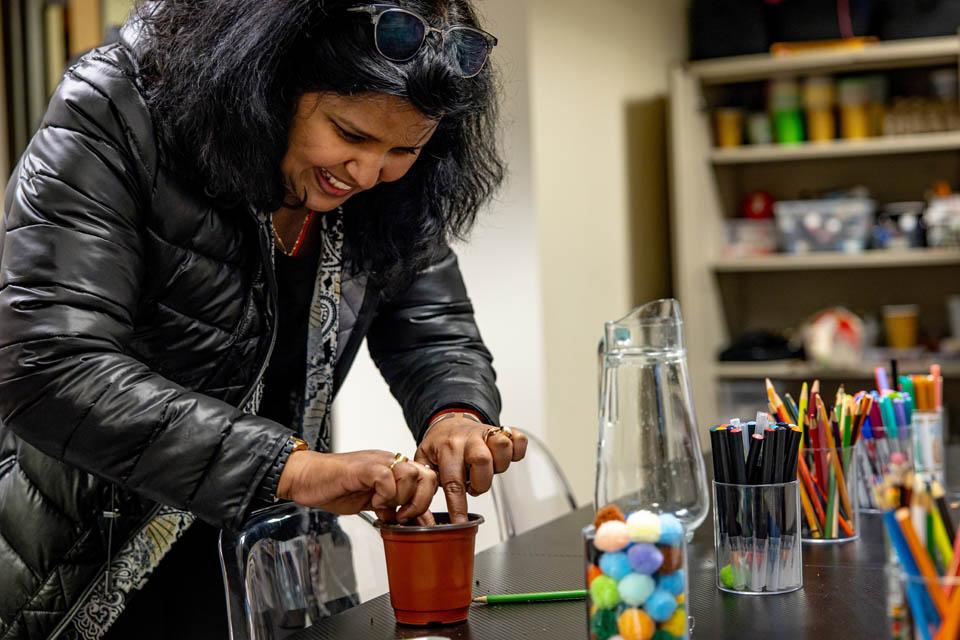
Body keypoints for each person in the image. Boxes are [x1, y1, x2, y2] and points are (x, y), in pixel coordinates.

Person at [0, 1, 527, 637]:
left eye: (404, 148)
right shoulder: (116, 109)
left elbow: (428, 319)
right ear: (270, 78)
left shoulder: (386, 184)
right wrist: (289, 468)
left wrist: (456, 414)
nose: (367, 174)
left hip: (286, 567)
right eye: (350, 134)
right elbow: (48, 365)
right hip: (92, 574)